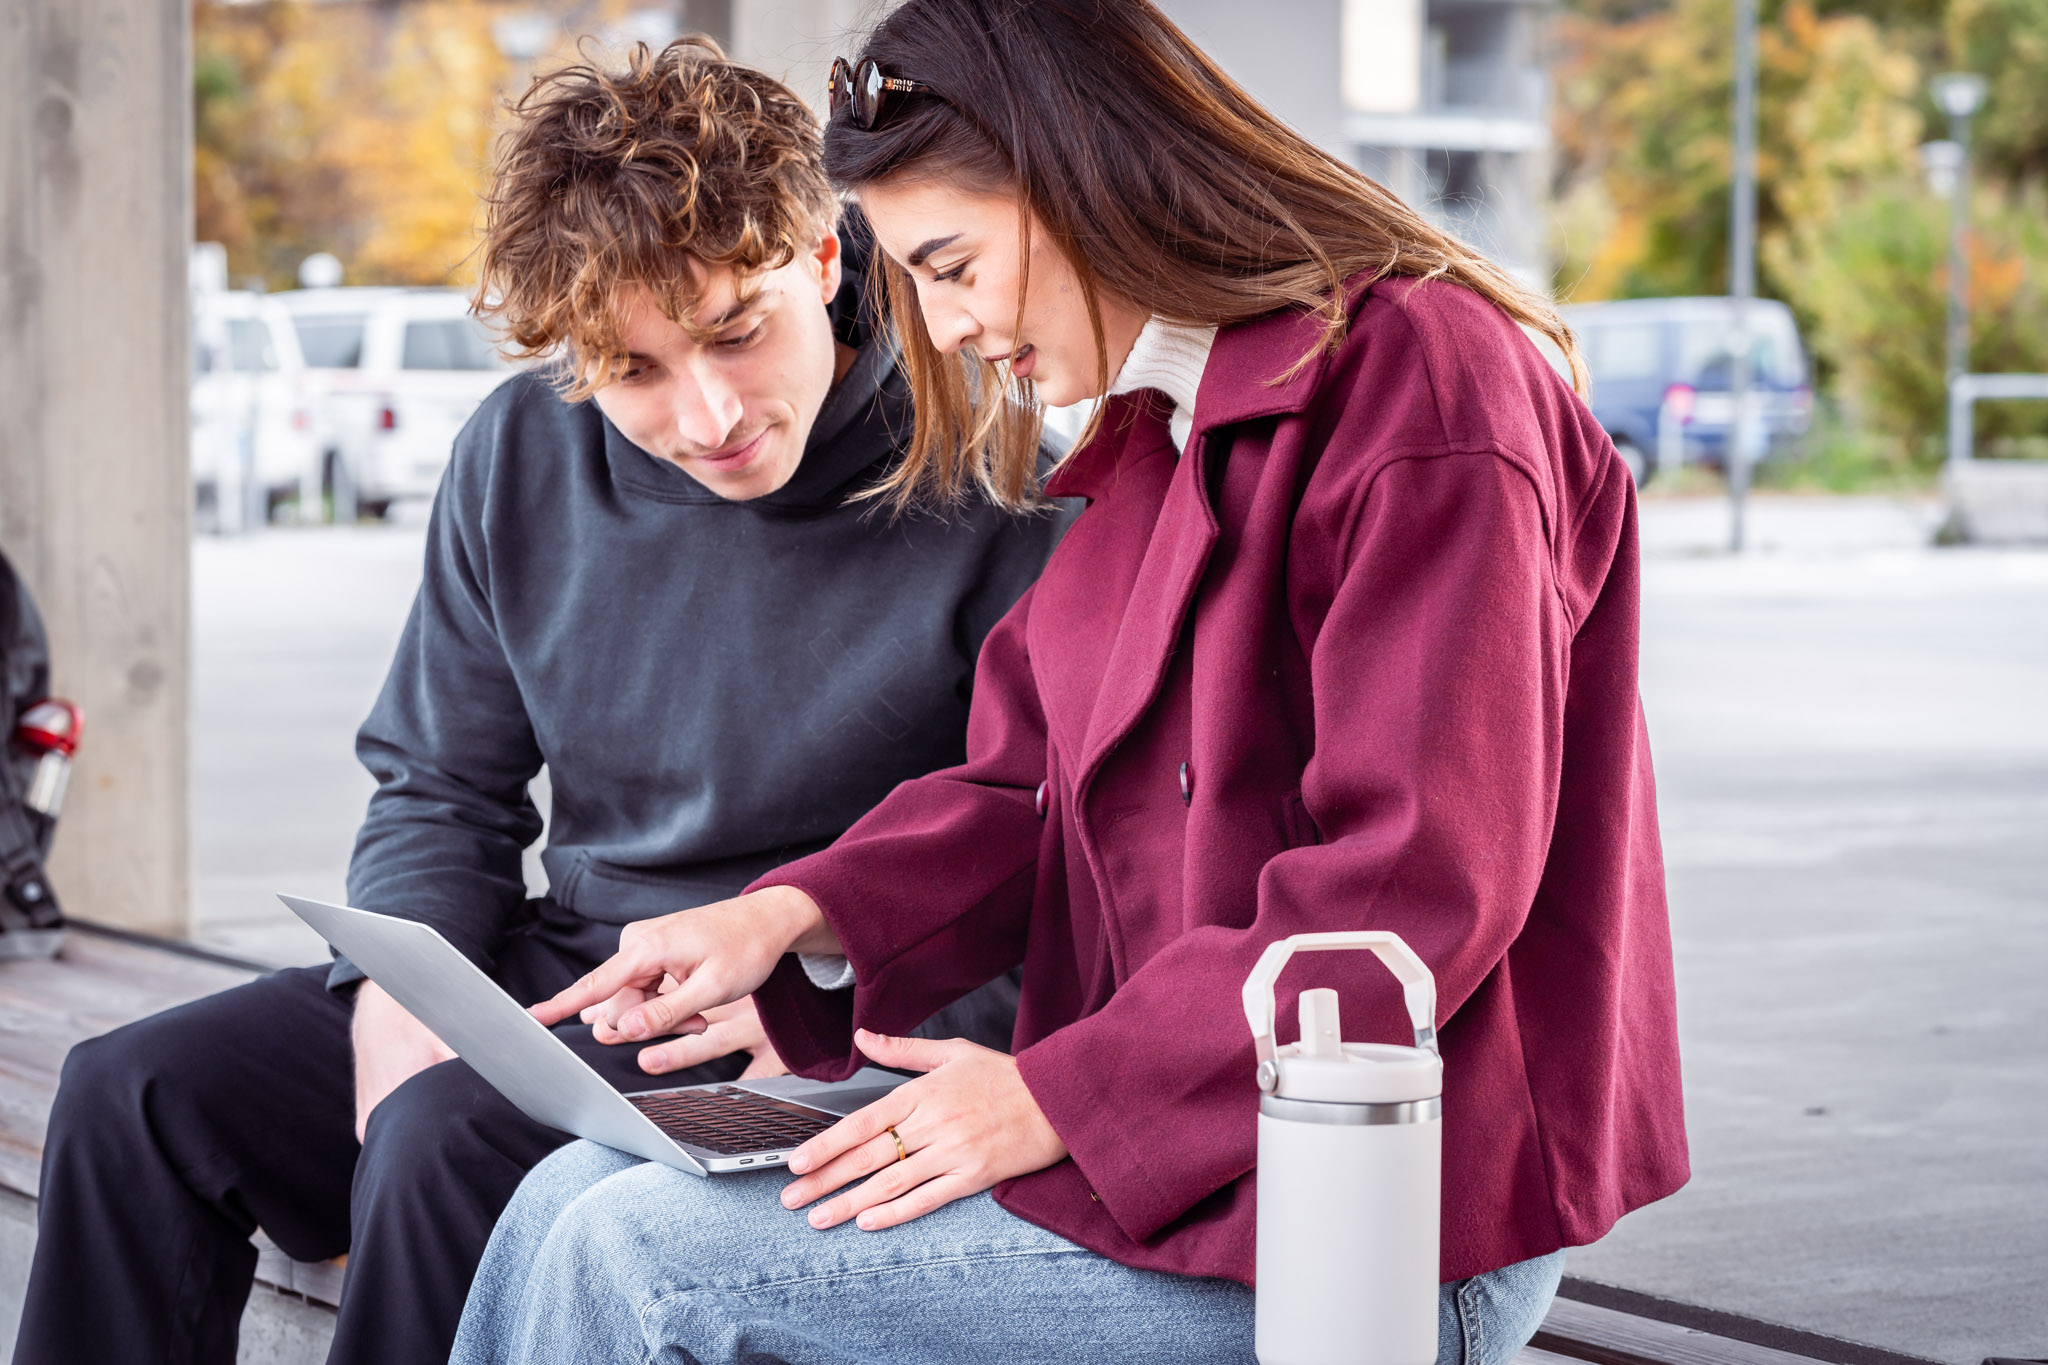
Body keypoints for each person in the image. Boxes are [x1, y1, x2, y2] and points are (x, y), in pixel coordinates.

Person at [452, 2, 1690, 1362]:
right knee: (569, 1193)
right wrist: (788, 918)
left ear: (1085, 170)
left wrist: (1058, 1097)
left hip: (1383, 1223)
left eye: (953, 263)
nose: (947, 324)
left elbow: (1406, 892)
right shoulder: (1156, 431)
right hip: (1177, 1170)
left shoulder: (1431, 388)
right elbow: (1021, 788)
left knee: (641, 1261)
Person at [13, 39, 1066, 1365]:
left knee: (439, 1140)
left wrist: (832, 1009)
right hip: (568, 973)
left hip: (797, 1020)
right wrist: (408, 997)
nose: (708, 411)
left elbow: (1055, 869)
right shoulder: (521, 449)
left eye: (736, 332)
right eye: (633, 372)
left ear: (820, 253)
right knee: (131, 1092)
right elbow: (439, 786)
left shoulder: (1006, 491)